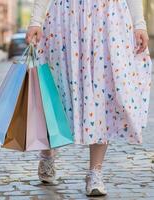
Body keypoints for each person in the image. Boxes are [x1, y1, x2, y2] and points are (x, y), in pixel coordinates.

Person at [26, 0, 152, 197]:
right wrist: (36, 20)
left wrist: (139, 23)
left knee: (103, 92)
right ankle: (48, 152)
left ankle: (95, 172)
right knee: (57, 88)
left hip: (108, 20)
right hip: (66, 18)